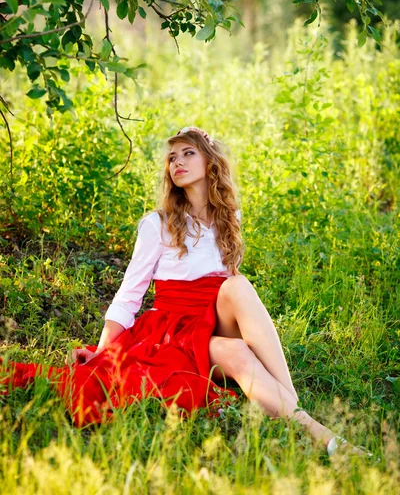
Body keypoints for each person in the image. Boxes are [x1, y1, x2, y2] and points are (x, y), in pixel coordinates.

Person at [1, 127, 370, 458]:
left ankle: (289, 402)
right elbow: (130, 294)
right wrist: (102, 353)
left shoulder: (229, 217)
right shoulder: (157, 223)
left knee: (236, 284)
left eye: (188, 153)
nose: (177, 162)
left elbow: (228, 289)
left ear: (211, 162)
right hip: (174, 330)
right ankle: (323, 436)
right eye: (172, 157)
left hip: (216, 318)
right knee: (238, 351)